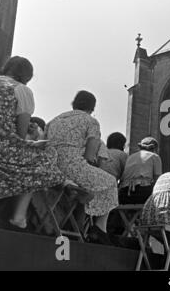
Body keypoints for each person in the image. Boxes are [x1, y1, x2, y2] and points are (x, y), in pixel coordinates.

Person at [0, 56, 66, 231]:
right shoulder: (22, 90)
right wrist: (36, 140)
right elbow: (21, 134)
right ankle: (18, 217)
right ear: (27, 76)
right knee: (46, 158)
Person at [45, 90, 118, 244]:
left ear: (74, 103)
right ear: (92, 108)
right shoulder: (90, 121)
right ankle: (100, 228)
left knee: (88, 187)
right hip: (72, 167)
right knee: (110, 182)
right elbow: (90, 155)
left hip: (50, 168)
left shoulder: (53, 121)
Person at [119, 137, 162, 205]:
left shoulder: (130, 157)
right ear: (155, 148)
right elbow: (157, 180)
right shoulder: (155, 156)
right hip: (142, 193)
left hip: (124, 194)